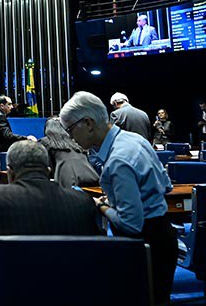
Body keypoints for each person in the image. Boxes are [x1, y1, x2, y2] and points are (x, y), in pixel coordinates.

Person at [59, 91, 177, 305]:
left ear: (88, 123)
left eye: (70, 129)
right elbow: (166, 186)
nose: (69, 136)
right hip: (164, 235)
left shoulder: (117, 161)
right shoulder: (136, 140)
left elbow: (132, 224)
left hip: (145, 245)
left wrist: (103, 206)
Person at [0, 141, 102, 255]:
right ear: (48, 171)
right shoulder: (82, 202)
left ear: (9, 172)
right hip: (74, 296)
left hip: (11, 297)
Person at [38, 117, 99, 188]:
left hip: (67, 179)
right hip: (91, 175)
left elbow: (47, 167)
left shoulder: (45, 142)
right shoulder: (75, 141)